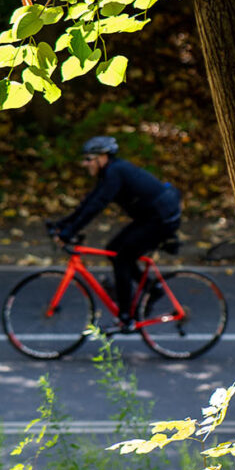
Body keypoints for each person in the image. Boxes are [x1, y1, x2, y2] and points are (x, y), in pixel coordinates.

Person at [49, 135, 182, 330]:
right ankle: (151, 290)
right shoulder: (110, 172)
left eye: (88, 159)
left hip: (162, 220)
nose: (85, 164)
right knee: (113, 249)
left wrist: (69, 232)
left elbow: (97, 206)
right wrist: (63, 224)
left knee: (122, 258)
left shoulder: (115, 172)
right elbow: (89, 201)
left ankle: (126, 316)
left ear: (102, 157)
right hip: (151, 217)